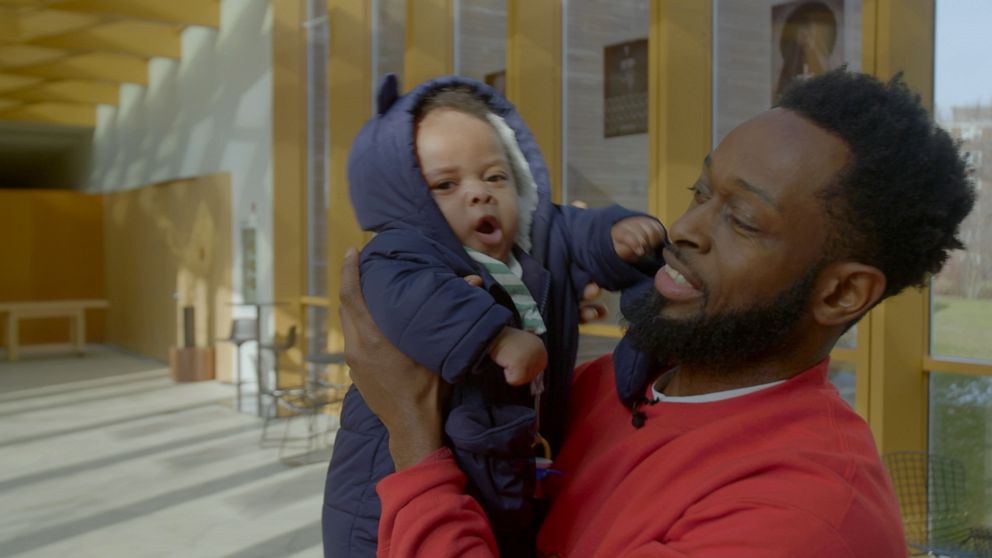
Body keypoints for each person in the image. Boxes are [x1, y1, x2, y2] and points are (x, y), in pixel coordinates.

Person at [338, 69, 976, 557]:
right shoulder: (601, 391)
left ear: (841, 294)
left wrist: (414, 442)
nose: (687, 228)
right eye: (701, 192)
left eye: (742, 220)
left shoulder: (798, 516)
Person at [322, 74, 665, 557]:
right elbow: (413, 300)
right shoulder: (402, 253)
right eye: (446, 184)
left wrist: (618, 233)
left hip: (502, 461)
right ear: (407, 201)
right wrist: (497, 339)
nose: (479, 193)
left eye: (495, 176)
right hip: (385, 480)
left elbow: (579, 226)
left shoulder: (535, 241)